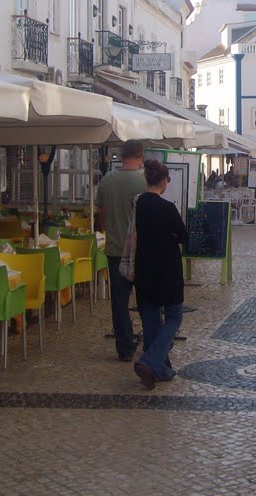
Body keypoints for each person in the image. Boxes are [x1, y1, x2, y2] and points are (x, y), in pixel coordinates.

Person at [133, 159, 188, 389]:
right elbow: (184, 236)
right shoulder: (167, 208)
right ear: (165, 181)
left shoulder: (139, 204)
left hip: (144, 269)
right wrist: (172, 237)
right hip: (167, 271)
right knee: (174, 316)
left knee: (151, 317)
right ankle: (149, 361)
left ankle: (160, 369)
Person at [95, 139, 147, 362]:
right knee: (146, 300)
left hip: (115, 249)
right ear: (140, 156)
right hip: (143, 251)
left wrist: (108, 229)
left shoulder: (107, 181)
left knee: (119, 301)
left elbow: (100, 213)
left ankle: (125, 347)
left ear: (121, 155)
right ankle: (152, 342)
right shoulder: (145, 181)